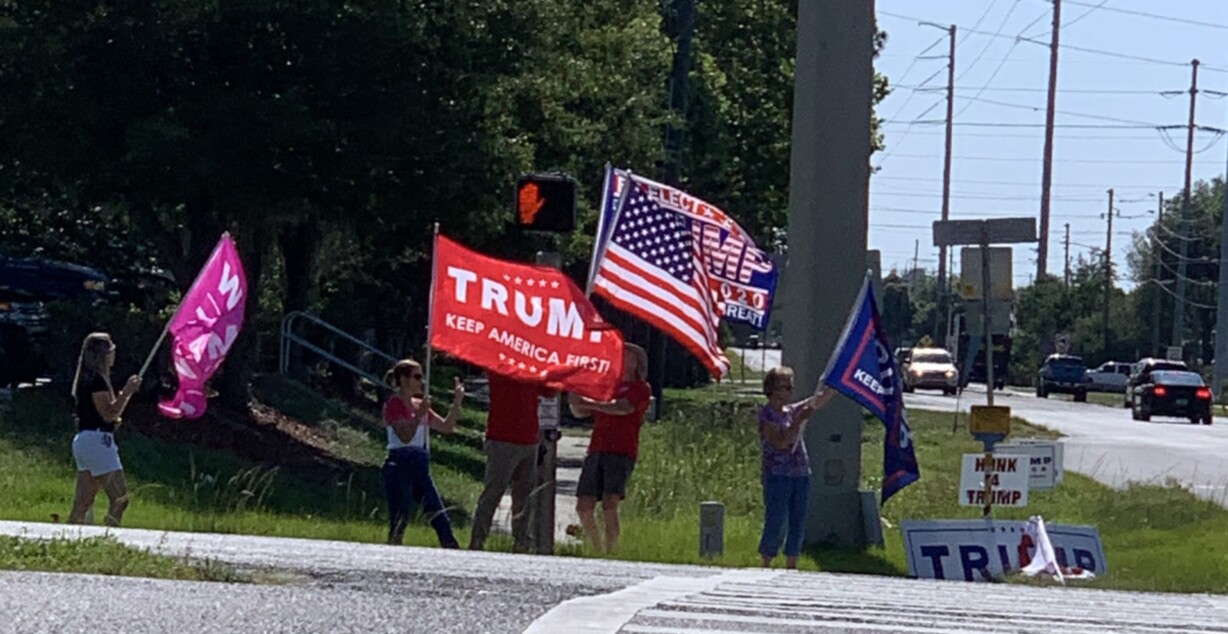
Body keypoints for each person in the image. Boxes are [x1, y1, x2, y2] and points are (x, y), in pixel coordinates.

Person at [568, 344, 651, 554]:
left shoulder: (641, 388)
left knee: (609, 502)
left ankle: (612, 549)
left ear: (637, 364)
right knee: (584, 505)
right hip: (597, 448)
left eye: (629, 358)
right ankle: (597, 547)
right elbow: (579, 411)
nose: (624, 361)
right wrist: (574, 389)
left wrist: (593, 404)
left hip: (621, 450)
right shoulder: (606, 387)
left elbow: (623, 408)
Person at [469, 373, 556, 552]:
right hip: (502, 439)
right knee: (494, 492)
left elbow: (551, 391)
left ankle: (522, 543)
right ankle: (477, 542)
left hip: (529, 439)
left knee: (524, 496)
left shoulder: (533, 369)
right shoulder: (500, 366)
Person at [757, 366, 834, 569]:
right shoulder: (767, 416)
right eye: (786, 387)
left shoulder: (791, 411)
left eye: (791, 387)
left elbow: (817, 400)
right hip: (777, 474)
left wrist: (835, 384)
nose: (790, 391)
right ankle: (767, 559)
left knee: (798, 519)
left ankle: (792, 561)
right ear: (773, 389)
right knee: (777, 517)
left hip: (800, 472)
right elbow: (780, 442)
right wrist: (798, 422)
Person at [381, 359, 464, 548]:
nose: (421, 381)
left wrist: (457, 402)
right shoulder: (394, 404)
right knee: (400, 517)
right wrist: (419, 416)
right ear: (403, 379)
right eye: (417, 376)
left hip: (420, 464)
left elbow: (446, 427)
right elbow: (405, 437)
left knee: (438, 515)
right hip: (400, 463)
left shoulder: (421, 405)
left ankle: (452, 550)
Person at [67, 332, 142, 526]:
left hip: (87, 440)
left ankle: (69, 534)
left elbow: (109, 414)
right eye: (111, 350)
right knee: (120, 498)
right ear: (103, 354)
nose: (114, 354)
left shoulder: (90, 378)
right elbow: (108, 413)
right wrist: (127, 392)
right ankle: (109, 534)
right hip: (97, 441)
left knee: (83, 502)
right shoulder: (96, 380)